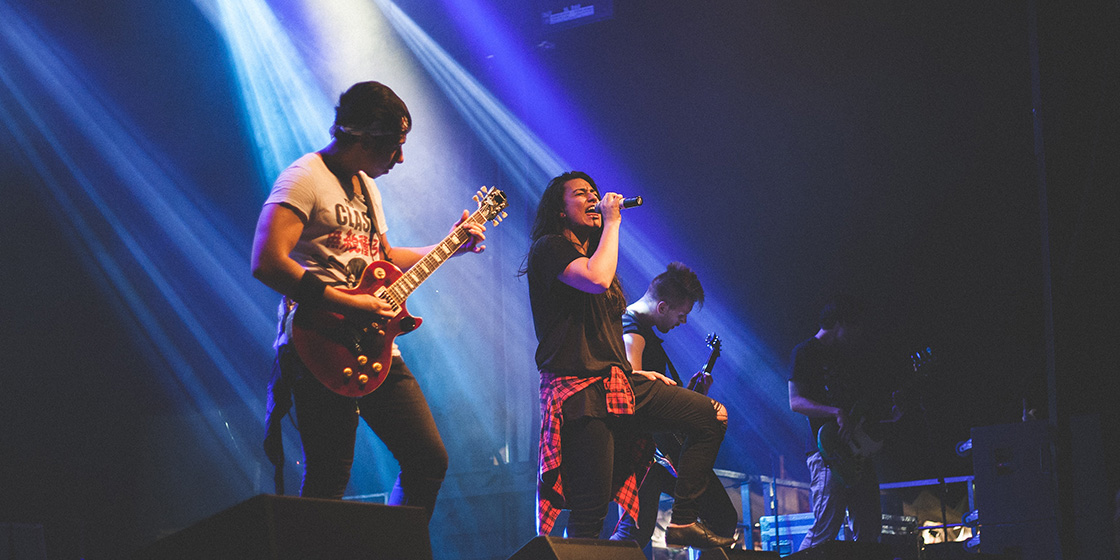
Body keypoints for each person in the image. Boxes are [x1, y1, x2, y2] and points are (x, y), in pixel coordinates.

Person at [251, 81, 486, 520]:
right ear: (363, 136)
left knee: (428, 459)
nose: (400, 158)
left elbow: (383, 257)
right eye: (394, 146)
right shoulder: (305, 177)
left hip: (375, 345)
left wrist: (450, 245)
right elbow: (266, 260)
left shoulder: (366, 188)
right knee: (329, 475)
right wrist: (350, 302)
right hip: (318, 342)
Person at [524, 171, 734, 549]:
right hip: (580, 390)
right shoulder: (549, 247)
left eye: (594, 192)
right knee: (590, 510)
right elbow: (597, 280)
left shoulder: (594, 255)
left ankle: (684, 520)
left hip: (614, 384)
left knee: (712, 415)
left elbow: (602, 335)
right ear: (559, 209)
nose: (593, 198)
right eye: (580, 194)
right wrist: (613, 221)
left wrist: (638, 372)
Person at [610, 262, 739, 554]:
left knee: (635, 536)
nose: (682, 322)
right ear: (663, 306)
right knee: (634, 536)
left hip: (659, 452)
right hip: (653, 454)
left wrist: (690, 396)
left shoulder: (644, 329)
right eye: (682, 315)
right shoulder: (632, 327)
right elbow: (632, 382)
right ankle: (682, 523)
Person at [788, 297, 888, 549]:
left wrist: (889, 413)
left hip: (858, 451)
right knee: (825, 529)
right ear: (840, 323)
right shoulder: (805, 352)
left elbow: (861, 404)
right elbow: (796, 401)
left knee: (869, 528)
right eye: (854, 327)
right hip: (827, 453)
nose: (858, 334)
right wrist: (835, 412)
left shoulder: (848, 357)